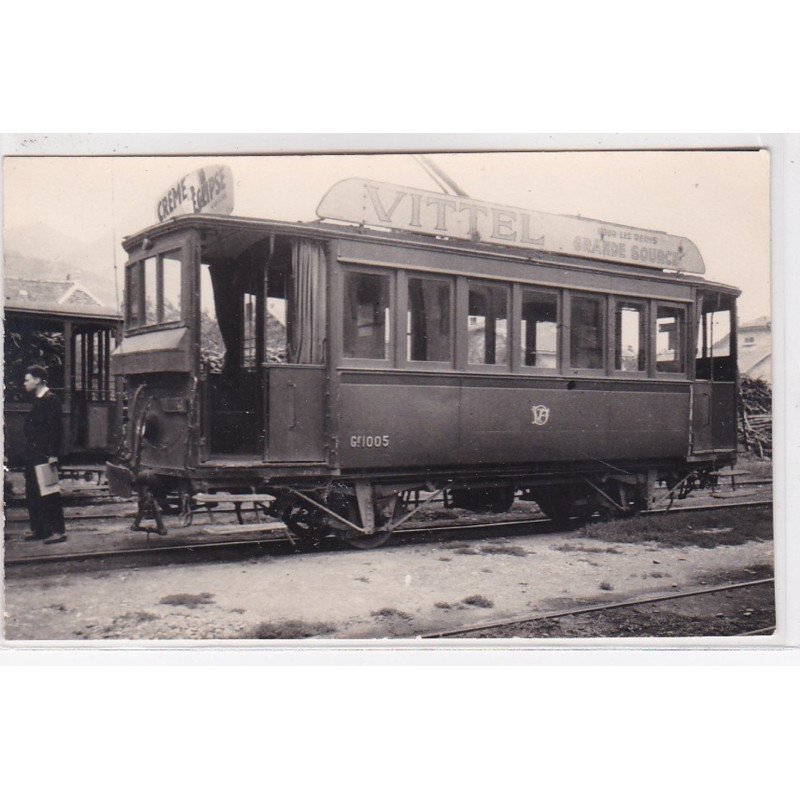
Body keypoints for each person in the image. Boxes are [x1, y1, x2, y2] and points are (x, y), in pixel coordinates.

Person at [22, 365, 66, 543]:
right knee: (33, 491)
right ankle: (40, 529)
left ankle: (58, 531)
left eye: (27, 379)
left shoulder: (51, 399)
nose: (24, 383)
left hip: (45, 454)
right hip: (34, 453)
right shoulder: (39, 399)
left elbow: (56, 429)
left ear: (38, 380)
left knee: (49, 492)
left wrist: (53, 454)